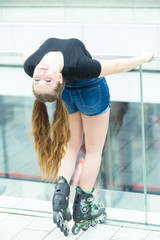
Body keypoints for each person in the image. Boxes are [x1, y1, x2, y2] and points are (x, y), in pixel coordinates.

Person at [23, 37, 154, 236]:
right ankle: (83, 208)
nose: (40, 75)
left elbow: (28, 51)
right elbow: (117, 66)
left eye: (38, 80)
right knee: (93, 150)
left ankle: (60, 198)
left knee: (71, 147)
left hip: (68, 94)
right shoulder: (80, 66)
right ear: (59, 78)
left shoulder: (31, 64)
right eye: (46, 80)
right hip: (92, 91)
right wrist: (143, 58)